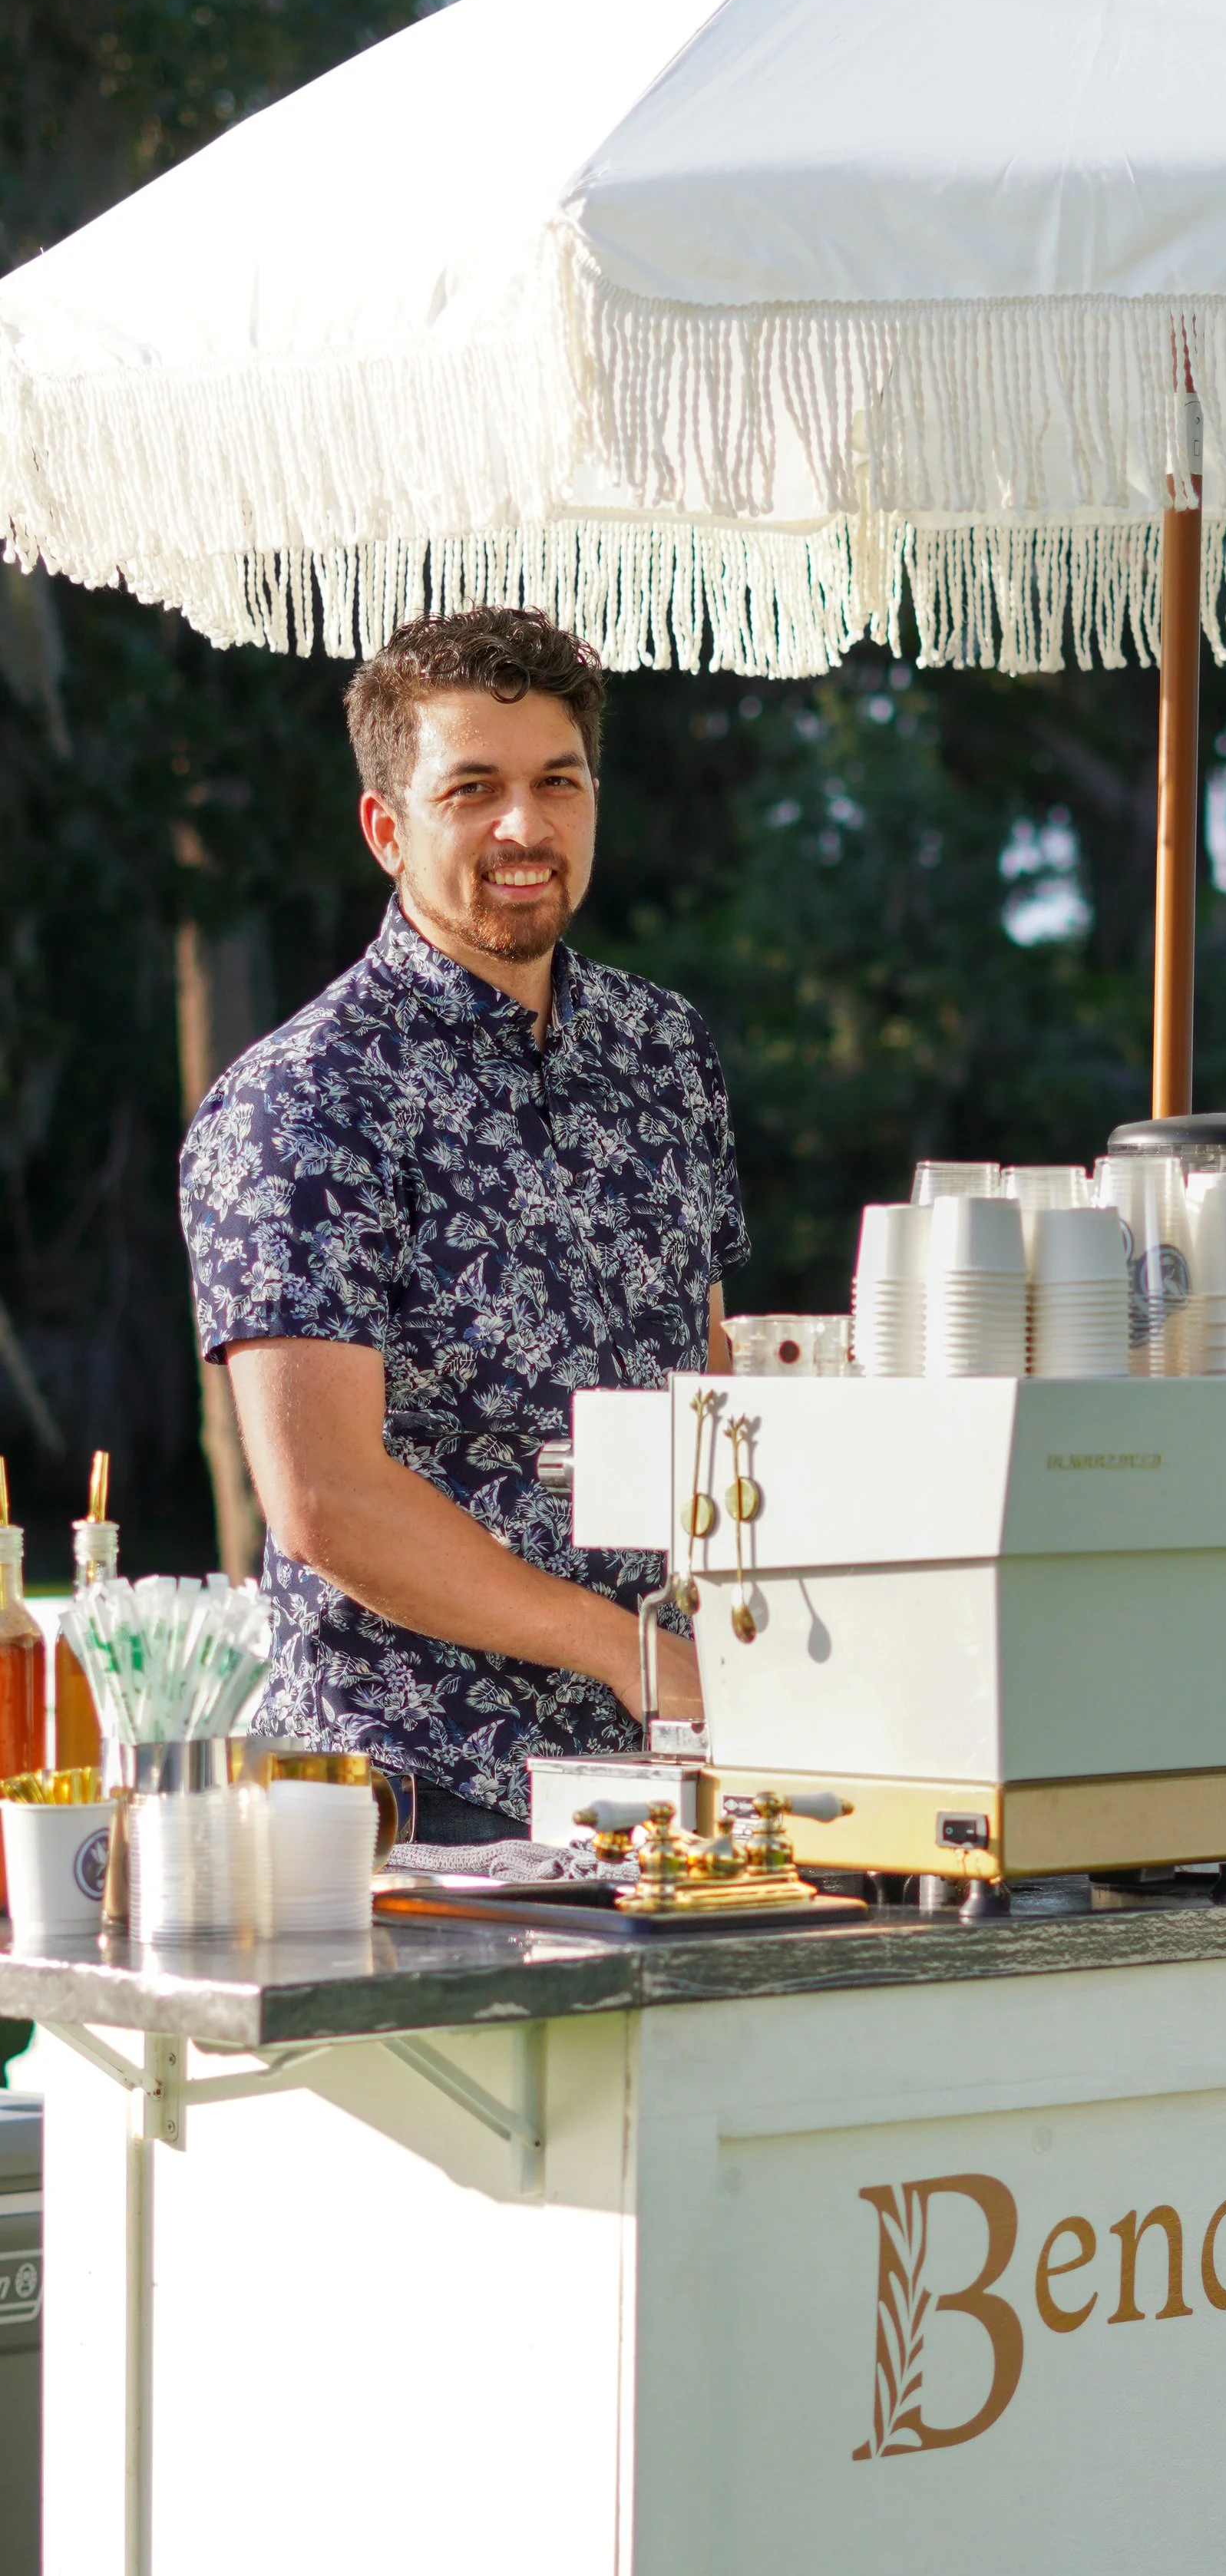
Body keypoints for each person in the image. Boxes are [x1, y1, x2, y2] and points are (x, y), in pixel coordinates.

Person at [180, 606, 746, 1841]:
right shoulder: (302, 1099)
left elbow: (720, 1399)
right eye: (472, 789)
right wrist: (623, 1652)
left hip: (686, 1774)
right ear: (387, 828)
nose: (525, 827)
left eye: (558, 780)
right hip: (417, 1794)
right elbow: (327, 1498)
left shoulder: (666, 1053)